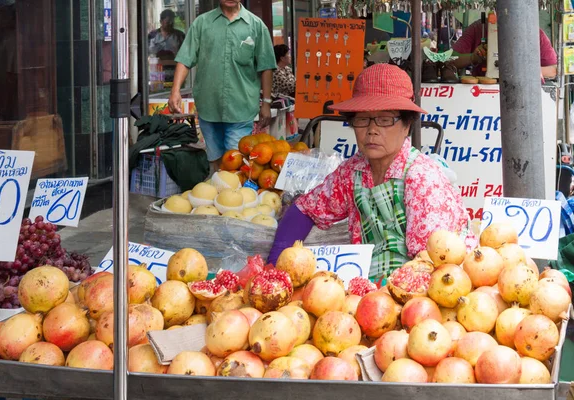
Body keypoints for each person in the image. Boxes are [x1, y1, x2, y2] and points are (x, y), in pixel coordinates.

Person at [267, 64, 477, 280]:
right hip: (370, 285)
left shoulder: (422, 178)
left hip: (425, 286)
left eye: (385, 120)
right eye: (362, 119)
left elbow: (429, 264)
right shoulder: (353, 171)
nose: (372, 130)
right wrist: (273, 270)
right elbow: (305, 210)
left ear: (406, 126)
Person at [168, 0, 276, 170]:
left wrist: (267, 103)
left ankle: (229, 192)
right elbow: (185, 59)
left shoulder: (256, 26)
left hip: (241, 107)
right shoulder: (202, 23)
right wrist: (175, 91)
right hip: (208, 107)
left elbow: (266, 67)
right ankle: (219, 191)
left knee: (233, 164)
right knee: (215, 162)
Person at [452, 18, 557, 79]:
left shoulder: (534, 33)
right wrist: (472, 58)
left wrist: (522, 71)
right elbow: (450, 59)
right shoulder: (479, 28)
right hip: (482, 95)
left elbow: (553, 70)